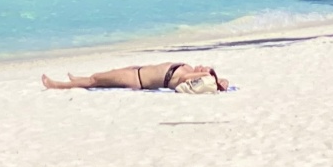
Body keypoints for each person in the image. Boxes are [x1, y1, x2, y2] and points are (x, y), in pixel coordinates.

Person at [41, 63, 228, 92]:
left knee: (96, 79)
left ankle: (57, 85)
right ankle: (76, 80)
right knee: (98, 77)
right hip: (138, 70)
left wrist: (208, 76)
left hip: (136, 79)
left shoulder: (186, 76)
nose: (203, 66)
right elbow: (225, 83)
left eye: (206, 69)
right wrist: (218, 80)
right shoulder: (187, 67)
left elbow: (217, 83)